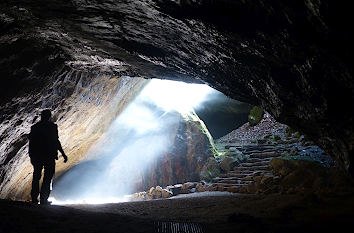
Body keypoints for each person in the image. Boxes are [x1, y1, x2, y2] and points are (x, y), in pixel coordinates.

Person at [28, 109, 68, 205]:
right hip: (49, 155)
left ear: (41, 116)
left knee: (36, 176)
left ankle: (34, 198)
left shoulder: (35, 127)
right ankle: (43, 199)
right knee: (48, 177)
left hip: (38, 156)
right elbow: (56, 141)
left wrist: (31, 155)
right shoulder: (52, 127)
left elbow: (31, 142)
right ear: (49, 117)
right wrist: (63, 153)